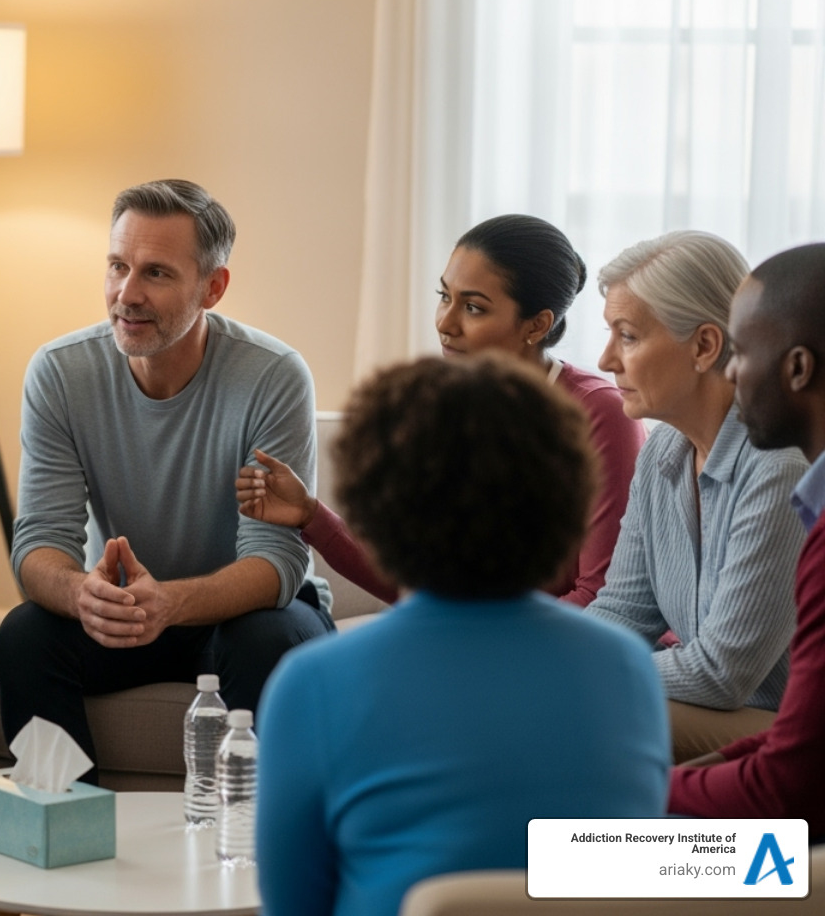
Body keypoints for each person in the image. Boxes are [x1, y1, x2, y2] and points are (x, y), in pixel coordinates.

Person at [256, 354, 670, 916]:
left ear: (374, 507)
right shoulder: (625, 666)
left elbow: (293, 903)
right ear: (567, 500)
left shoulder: (312, 683)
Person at [0, 178, 334, 770]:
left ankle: (253, 825)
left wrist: (170, 603)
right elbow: (40, 540)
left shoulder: (273, 376)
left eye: (155, 273)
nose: (127, 294)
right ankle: (63, 816)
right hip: (128, 611)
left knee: (268, 642)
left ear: (213, 287)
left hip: (247, 617)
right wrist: (81, 594)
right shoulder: (60, 372)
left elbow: (276, 562)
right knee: (24, 637)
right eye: (117, 266)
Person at [237, 214, 644, 607]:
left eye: (474, 307)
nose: (445, 324)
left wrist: (482, 641)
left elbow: (601, 596)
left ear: (536, 326)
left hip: (553, 647)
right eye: (444, 297)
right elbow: (421, 587)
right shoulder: (444, 410)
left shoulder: (600, 413)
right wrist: (310, 515)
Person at [585, 231, 808, 762]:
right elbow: (623, 611)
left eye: (627, 336)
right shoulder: (663, 450)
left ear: (705, 346)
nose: (606, 359)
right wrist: (545, 655)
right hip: (719, 710)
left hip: (784, 730)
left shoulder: (779, 467)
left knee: (587, 706)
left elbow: (721, 673)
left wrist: (571, 670)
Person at [668, 243, 825, 828]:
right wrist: (705, 769)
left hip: (797, 846)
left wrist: (627, 795)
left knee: (568, 855)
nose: (729, 374)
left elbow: (787, 794)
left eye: (739, 353)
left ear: (798, 369)